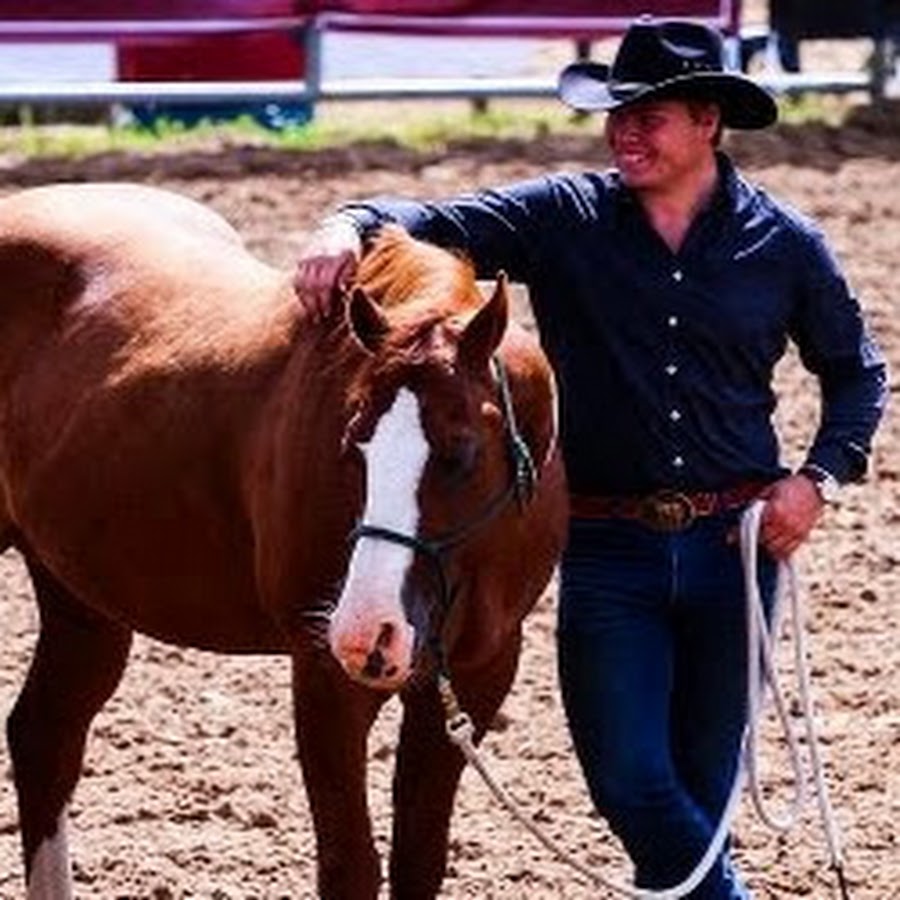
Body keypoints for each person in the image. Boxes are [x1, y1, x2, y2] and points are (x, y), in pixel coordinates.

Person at [292, 17, 888, 899]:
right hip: (610, 550)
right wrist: (345, 226)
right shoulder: (563, 219)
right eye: (617, 114)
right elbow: (427, 221)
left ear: (708, 122)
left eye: (649, 116)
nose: (624, 132)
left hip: (737, 549)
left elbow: (857, 373)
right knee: (632, 783)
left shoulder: (786, 245)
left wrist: (818, 479)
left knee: (701, 794)